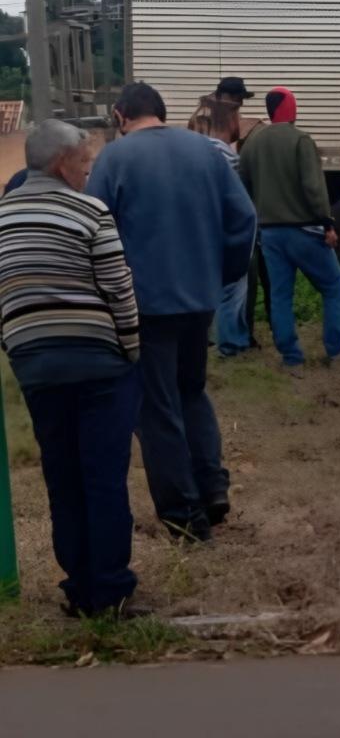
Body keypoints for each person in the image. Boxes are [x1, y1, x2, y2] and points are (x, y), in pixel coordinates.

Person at [86, 82, 256, 542]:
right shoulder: (208, 153)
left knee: (156, 409)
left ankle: (184, 515)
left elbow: (95, 231)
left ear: (121, 116)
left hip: (143, 306)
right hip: (198, 300)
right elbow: (244, 220)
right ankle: (212, 487)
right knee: (192, 392)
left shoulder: (114, 160)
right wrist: (221, 274)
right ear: (161, 112)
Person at [0, 121, 142, 615]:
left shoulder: (1, 217)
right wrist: (129, 348)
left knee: (62, 477)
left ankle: (78, 587)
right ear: (62, 163)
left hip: (36, 364)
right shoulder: (90, 211)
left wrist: (17, 345)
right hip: (98, 362)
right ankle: (110, 591)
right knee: (103, 477)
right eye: (84, 161)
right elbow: (118, 288)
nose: (88, 170)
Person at [238, 87, 340, 369]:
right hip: (305, 230)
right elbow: (313, 187)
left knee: (280, 294)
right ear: (291, 109)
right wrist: (327, 222)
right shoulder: (301, 140)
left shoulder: (253, 142)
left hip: (270, 233)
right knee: (333, 286)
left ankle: (291, 356)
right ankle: (335, 351)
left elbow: (243, 183)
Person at [189, 97, 251, 357]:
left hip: (198, 228)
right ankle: (231, 343)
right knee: (233, 288)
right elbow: (237, 200)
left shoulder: (194, 150)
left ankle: (207, 336)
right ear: (229, 122)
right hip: (223, 228)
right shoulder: (226, 154)